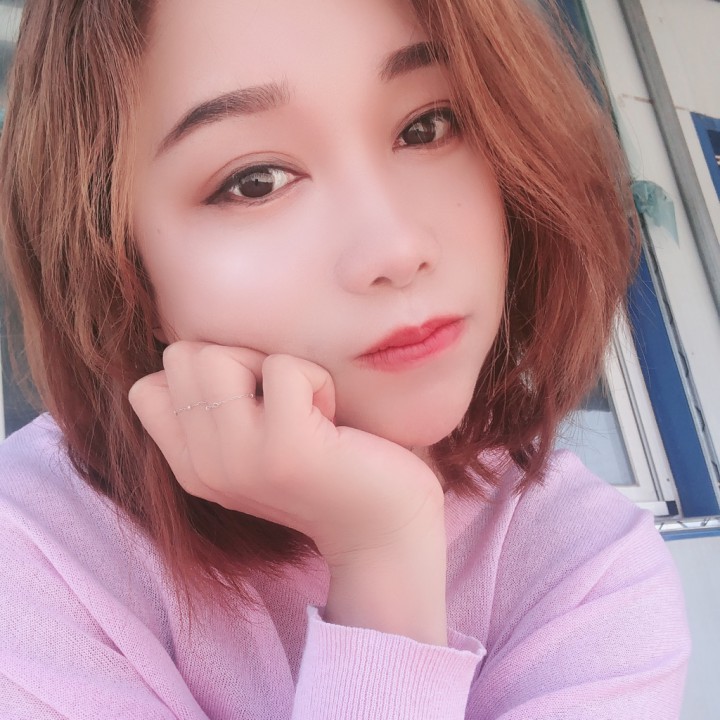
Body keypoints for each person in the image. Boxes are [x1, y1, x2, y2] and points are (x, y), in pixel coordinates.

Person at [0, 0, 690, 717]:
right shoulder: (35, 557)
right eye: (256, 180)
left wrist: (379, 554)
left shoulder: (584, 567)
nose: (396, 249)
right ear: (117, 264)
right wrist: (382, 559)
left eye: (427, 126)